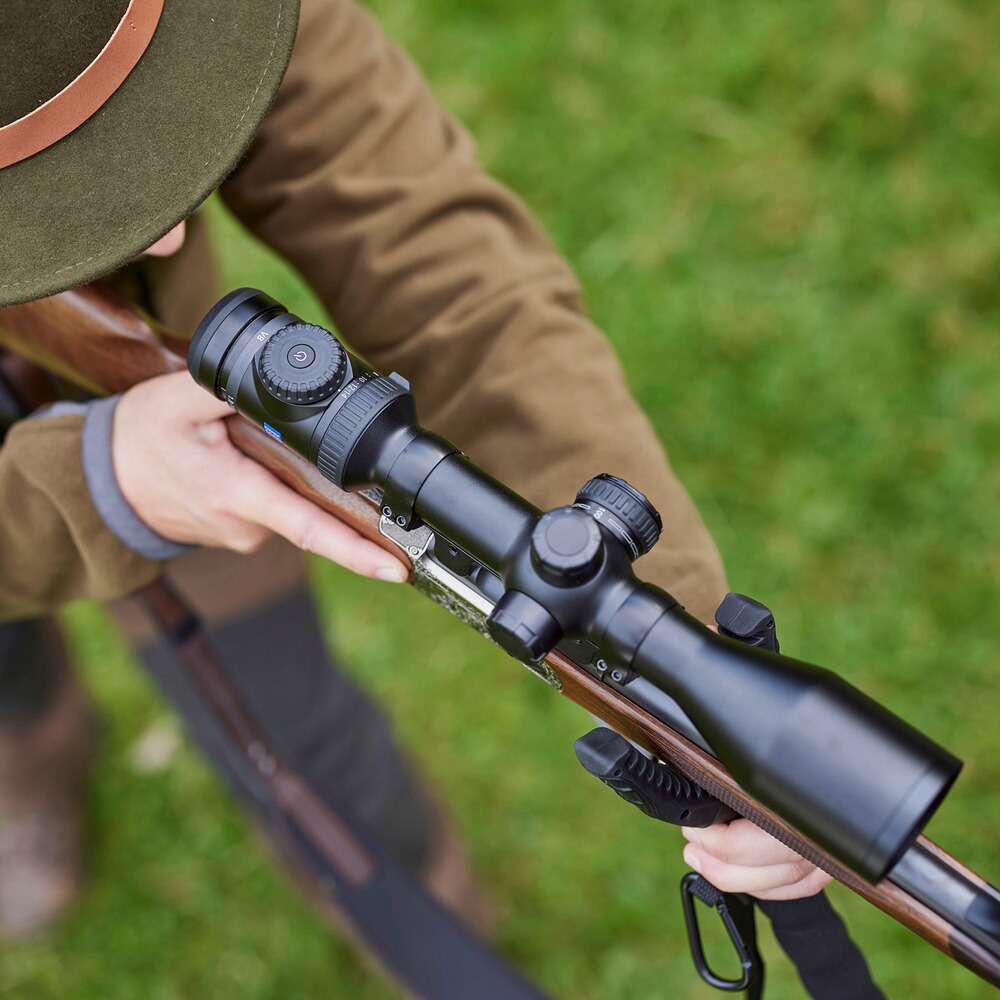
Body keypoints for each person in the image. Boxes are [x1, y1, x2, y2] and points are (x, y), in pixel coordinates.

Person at [0, 0, 828, 955]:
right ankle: (33, 747)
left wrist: (693, 675)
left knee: (299, 730)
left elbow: (455, 286)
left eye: (147, 125)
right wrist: (92, 484)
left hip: (187, 419)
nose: (165, 237)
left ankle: (442, 940)